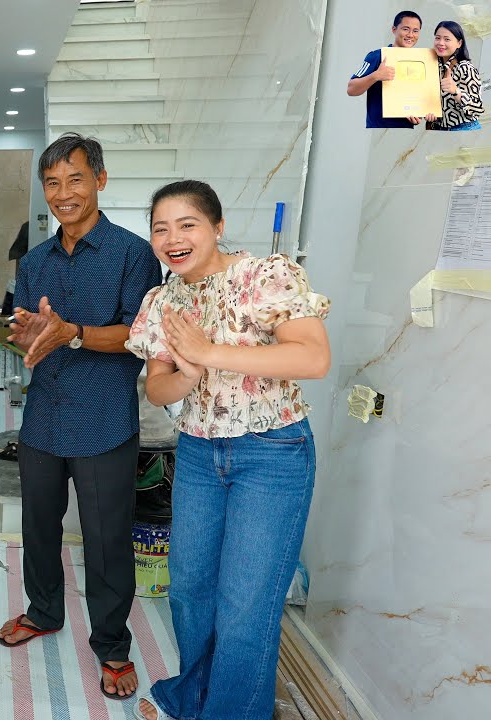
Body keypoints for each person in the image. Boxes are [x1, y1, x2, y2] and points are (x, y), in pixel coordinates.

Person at [127, 181, 330, 720]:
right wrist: (189, 372)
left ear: (217, 226)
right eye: (161, 228)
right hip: (197, 452)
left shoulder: (267, 275)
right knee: (190, 590)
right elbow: (158, 388)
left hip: (273, 454)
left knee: (244, 607)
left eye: (187, 224)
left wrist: (209, 350)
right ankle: (198, 697)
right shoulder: (163, 299)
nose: (173, 238)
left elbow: (312, 357)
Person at [0, 133, 162, 702]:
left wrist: (74, 334)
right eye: (52, 183)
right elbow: (29, 333)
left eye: (75, 179)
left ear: (100, 180)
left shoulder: (133, 254)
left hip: (104, 420)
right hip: (43, 416)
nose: (63, 194)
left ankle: (112, 645)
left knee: (106, 538)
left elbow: (141, 337)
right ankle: (44, 611)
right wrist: (25, 335)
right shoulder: (36, 259)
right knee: (38, 527)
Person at [346, 10, 422, 129]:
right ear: (394, 29)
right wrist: (376, 75)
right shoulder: (377, 56)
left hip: (406, 131)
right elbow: (351, 89)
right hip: (378, 129)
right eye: (406, 29)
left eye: (415, 31)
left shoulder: (421, 62)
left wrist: (420, 112)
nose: (410, 35)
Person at [427, 21, 484, 131]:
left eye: (447, 39)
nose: (441, 43)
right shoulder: (434, 66)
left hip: (464, 129)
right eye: (437, 38)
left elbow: (477, 108)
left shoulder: (465, 68)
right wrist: (429, 113)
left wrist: (456, 91)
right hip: (441, 129)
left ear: (459, 43)